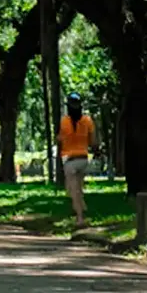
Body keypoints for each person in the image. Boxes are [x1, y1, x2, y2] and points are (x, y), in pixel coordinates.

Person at [58, 92, 99, 228]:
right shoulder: (88, 121)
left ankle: (80, 218)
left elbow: (59, 139)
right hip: (83, 159)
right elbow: (93, 142)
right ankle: (82, 207)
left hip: (69, 160)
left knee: (73, 191)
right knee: (77, 188)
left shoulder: (64, 121)